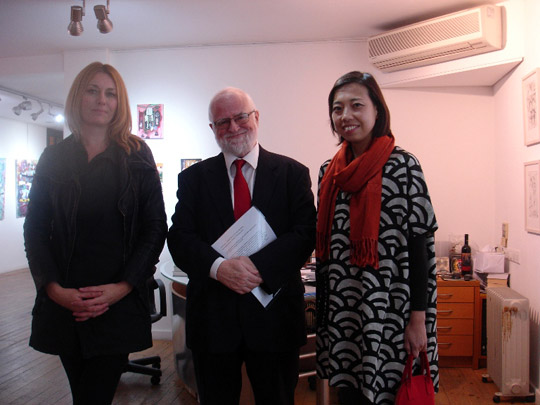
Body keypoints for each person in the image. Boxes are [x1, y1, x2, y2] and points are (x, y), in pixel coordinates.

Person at [23, 62, 167, 405]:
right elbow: (36, 229)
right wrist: (55, 290)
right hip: (66, 304)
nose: (101, 100)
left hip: (117, 304)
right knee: (84, 395)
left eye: (110, 93)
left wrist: (122, 288)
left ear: (119, 102)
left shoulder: (137, 155)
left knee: (93, 397)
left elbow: (155, 227)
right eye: (92, 90)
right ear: (78, 97)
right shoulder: (54, 158)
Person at [167, 87, 316, 405]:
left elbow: (305, 233)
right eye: (223, 122)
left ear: (256, 117)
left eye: (240, 117)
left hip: (275, 318)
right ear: (212, 129)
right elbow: (179, 238)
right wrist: (220, 268)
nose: (233, 128)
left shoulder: (292, 174)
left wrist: (257, 267)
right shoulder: (193, 180)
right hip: (213, 320)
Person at [315, 71, 438, 405]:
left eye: (356, 105)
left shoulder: (404, 166)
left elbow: (420, 250)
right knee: (349, 396)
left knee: (389, 395)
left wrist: (418, 319)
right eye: (337, 108)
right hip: (344, 310)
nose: (345, 116)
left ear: (377, 111)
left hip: (392, 312)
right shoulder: (329, 173)